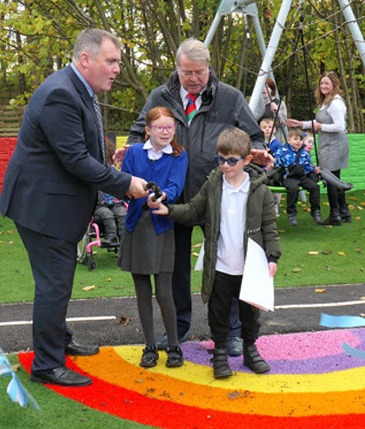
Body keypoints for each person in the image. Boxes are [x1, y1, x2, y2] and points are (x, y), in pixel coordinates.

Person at [0, 28, 149, 387]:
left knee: (58, 282)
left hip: (51, 205)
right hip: (42, 209)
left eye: (117, 62)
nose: (116, 69)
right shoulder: (61, 95)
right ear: (86, 59)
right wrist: (124, 182)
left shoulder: (78, 89)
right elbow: (75, 160)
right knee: (54, 285)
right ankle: (47, 365)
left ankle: (59, 341)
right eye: (111, 61)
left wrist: (110, 160)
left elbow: (81, 149)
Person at [124, 38, 266, 356]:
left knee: (227, 267)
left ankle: (230, 332)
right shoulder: (160, 96)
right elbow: (137, 133)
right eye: (188, 72)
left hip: (218, 197)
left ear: (208, 67)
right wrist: (131, 154)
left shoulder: (230, 98)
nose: (194, 79)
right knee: (174, 270)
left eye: (200, 72)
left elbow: (254, 137)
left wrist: (249, 171)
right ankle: (178, 328)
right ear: (177, 68)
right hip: (171, 200)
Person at [149, 128, 280, 379]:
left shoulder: (259, 190)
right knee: (217, 314)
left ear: (247, 160)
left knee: (249, 315)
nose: (225, 165)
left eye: (232, 160)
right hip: (220, 266)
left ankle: (250, 350)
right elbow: (192, 210)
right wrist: (169, 210)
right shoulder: (213, 185)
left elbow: (269, 227)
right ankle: (219, 354)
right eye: (221, 159)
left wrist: (272, 256)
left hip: (249, 266)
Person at [118, 106, 188, 368]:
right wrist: (138, 195)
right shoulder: (134, 152)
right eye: (160, 127)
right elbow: (125, 184)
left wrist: (160, 197)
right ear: (148, 130)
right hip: (136, 226)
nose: (166, 132)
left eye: (170, 127)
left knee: (164, 293)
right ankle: (149, 347)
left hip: (162, 228)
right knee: (142, 292)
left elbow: (175, 187)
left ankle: (173, 346)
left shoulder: (179, 155)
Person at [289, 72, 352, 226]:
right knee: (335, 179)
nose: (323, 86)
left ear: (334, 85)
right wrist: (300, 124)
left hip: (335, 145)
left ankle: (334, 215)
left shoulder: (335, 103)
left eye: (327, 84)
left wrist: (320, 127)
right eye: (321, 83)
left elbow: (339, 126)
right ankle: (344, 212)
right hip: (329, 144)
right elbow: (316, 123)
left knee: (331, 180)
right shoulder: (325, 102)